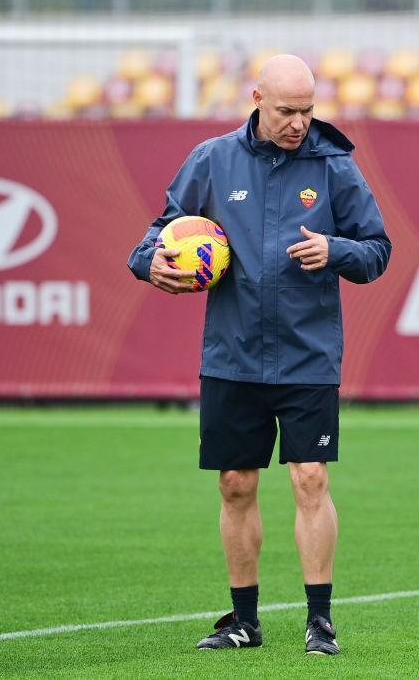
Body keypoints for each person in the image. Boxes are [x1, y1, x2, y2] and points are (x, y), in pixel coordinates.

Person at [127, 54, 391, 654]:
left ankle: (319, 621)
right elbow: (159, 232)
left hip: (308, 354)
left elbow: (378, 250)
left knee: (310, 477)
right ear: (257, 99)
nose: (300, 123)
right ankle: (243, 621)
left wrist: (337, 251)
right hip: (233, 354)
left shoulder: (334, 166)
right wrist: (152, 264)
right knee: (234, 483)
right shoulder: (213, 161)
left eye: (308, 111)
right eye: (287, 111)